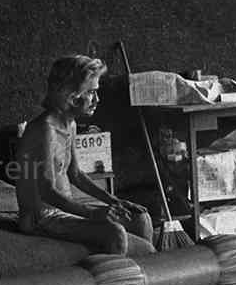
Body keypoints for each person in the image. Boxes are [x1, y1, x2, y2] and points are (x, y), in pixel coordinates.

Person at [15, 54, 155, 256]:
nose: (97, 99)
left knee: (140, 217)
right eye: (91, 92)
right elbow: (47, 192)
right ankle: (120, 284)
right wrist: (94, 213)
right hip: (41, 217)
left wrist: (113, 201)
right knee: (115, 233)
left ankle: (147, 278)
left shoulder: (69, 123)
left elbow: (76, 174)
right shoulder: (45, 130)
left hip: (61, 210)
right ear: (72, 97)